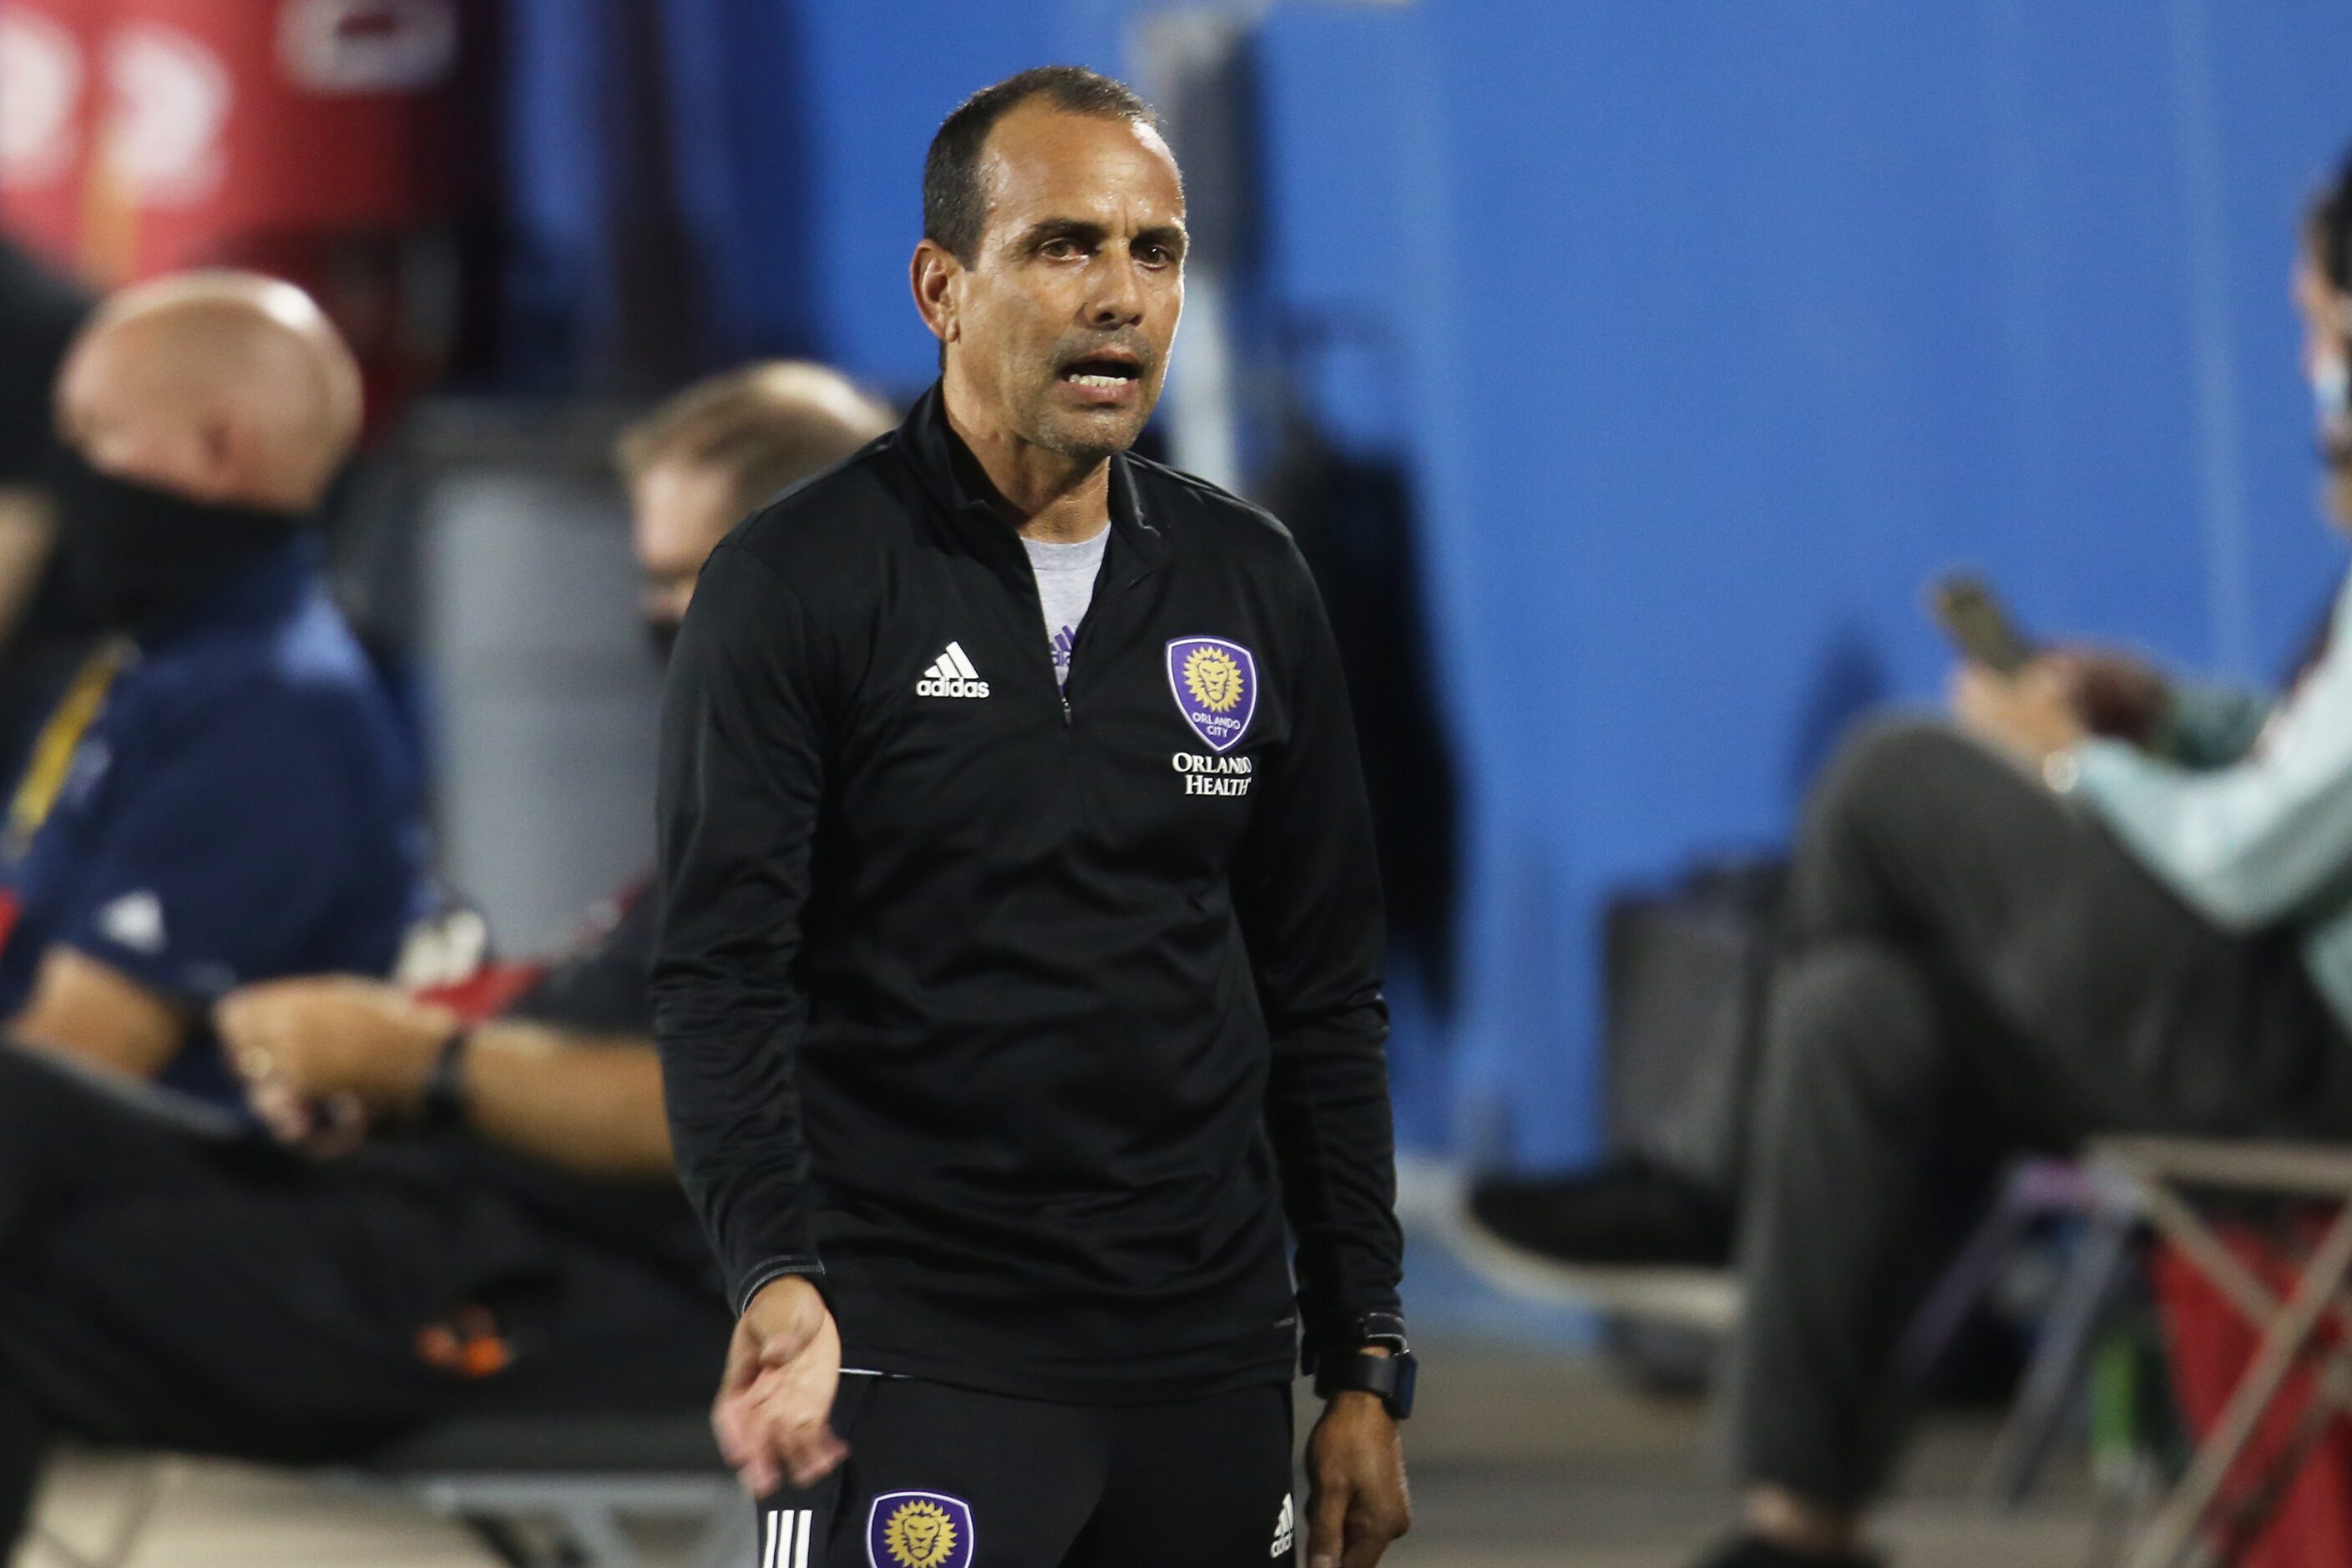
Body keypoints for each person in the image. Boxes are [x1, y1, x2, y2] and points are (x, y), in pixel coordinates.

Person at [655, 66, 1412, 1568]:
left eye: (1155, 251)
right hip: (911, 1349)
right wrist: (775, 1270)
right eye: (1065, 246)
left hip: (1202, 1360)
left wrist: (1363, 1363)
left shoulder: (1247, 582)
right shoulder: (798, 581)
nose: (1119, 295)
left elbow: (1321, 995)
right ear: (944, 284)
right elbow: (721, 974)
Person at [0, 359, 888, 1555]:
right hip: (440, 1199)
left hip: (565, 1283)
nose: (667, 620)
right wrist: (394, 1076)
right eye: (651, 581)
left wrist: (433, 1063)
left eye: (700, 580)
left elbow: (747, 1110)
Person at [1692, 151, 2352, 1568]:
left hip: (2314, 1058)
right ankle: (1792, 1527)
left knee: (1891, 776)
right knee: (1859, 1015)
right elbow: (2309, 769)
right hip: (2271, 1018)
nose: (2306, 362)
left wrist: (2066, 754)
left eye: (2318, 324)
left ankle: (1705, 1170)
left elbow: (2245, 858)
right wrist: (2166, 712)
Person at [1, 270, 427, 1104]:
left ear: (218, 448)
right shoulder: (154, 659)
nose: (73, 476)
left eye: (95, 435)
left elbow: (74, 1064)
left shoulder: (274, 711)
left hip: (149, 1206)